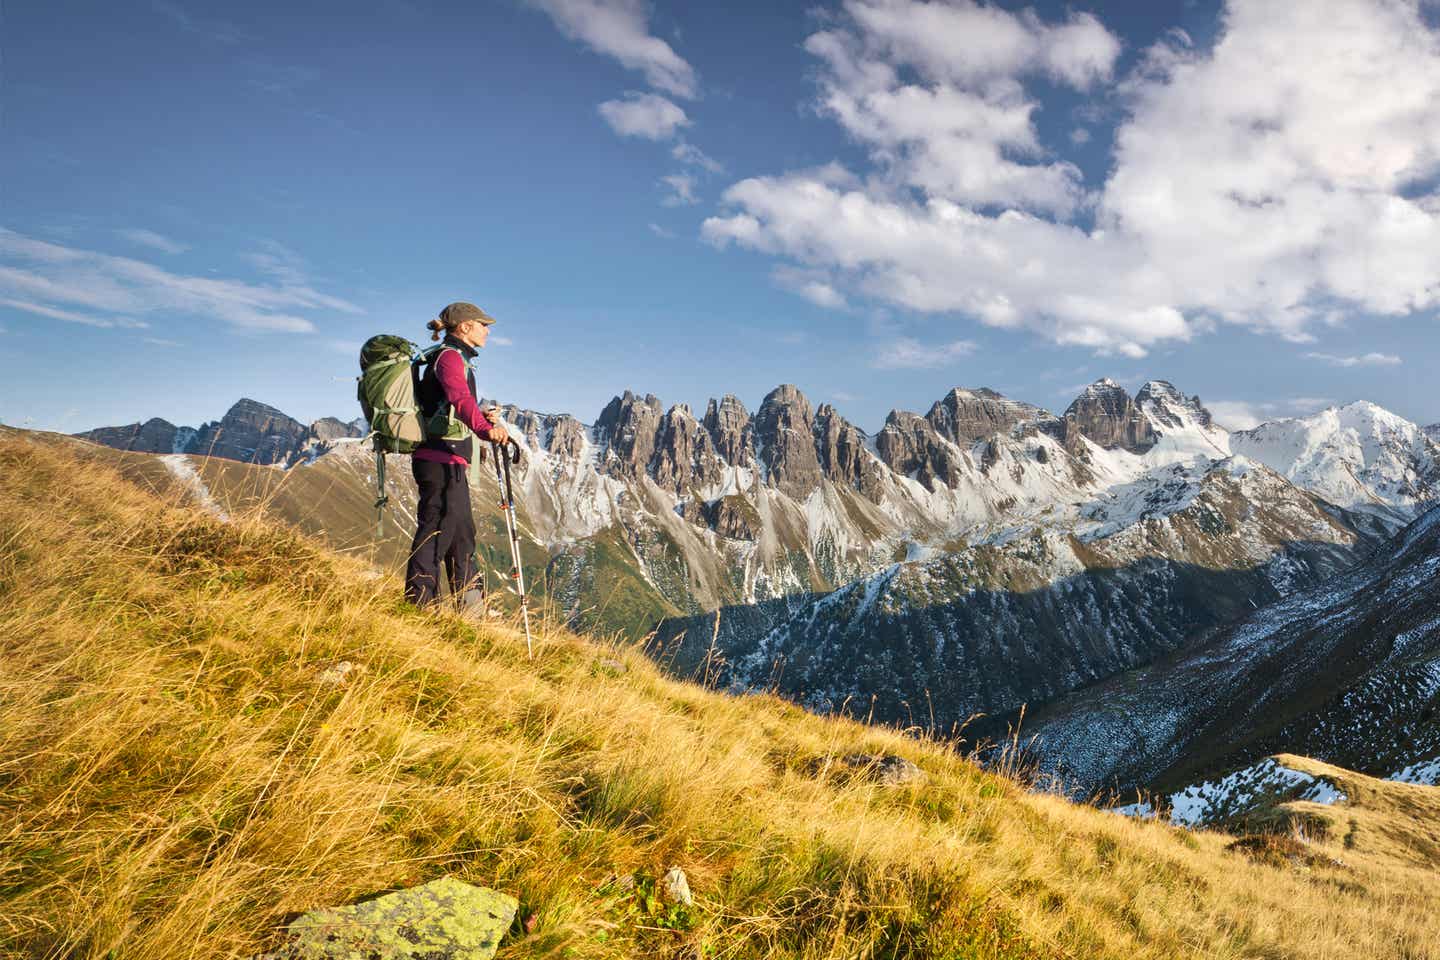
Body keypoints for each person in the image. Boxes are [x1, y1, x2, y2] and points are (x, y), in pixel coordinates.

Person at [405, 301, 509, 608]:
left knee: (462, 534)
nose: (487, 330)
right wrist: (483, 428)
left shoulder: (455, 358)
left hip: (449, 459)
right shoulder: (450, 357)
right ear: (464, 326)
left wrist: (481, 416)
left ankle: (471, 610)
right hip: (439, 459)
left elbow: (451, 405)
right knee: (436, 530)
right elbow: (458, 397)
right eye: (482, 324)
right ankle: (419, 607)